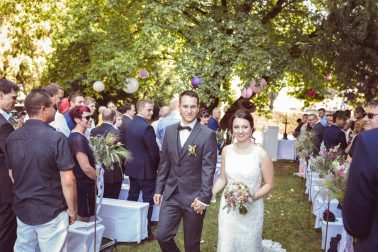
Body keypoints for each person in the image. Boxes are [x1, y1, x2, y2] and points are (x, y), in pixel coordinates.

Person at [6, 90, 77, 251]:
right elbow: (68, 180)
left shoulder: (12, 137)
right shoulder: (56, 138)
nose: (56, 110)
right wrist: (72, 210)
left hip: (24, 206)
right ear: (44, 109)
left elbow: (12, 174)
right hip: (50, 209)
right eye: (54, 107)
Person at [154, 90, 217, 252]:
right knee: (162, 235)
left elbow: (208, 169)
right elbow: (164, 164)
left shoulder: (207, 134)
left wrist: (204, 198)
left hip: (194, 197)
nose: (189, 110)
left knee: (192, 244)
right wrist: (159, 189)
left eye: (193, 107)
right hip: (171, 194)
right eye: (185, 106)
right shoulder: (169, 131)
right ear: (179, 107)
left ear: (198, 109)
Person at [212, 109, 274, 251]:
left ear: (252, 129)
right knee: (227, 243)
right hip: (228, 209)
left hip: (252, 208)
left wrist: (250, 198)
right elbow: (222, 179)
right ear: (232, 129)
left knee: (248, 245)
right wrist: (210, 193)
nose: (240, 131)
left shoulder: (261, 154)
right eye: (236, 127)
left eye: (245, 127)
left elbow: (269, 184)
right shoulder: (226, 151)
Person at [123, 99, 160, 240]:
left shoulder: (129, 124)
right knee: (148, 201)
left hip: (132, 167)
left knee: (132, 197)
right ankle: (146, 231)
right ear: (140, 110)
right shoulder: (146, 127)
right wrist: (156, 166)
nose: (151, 112)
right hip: (146, 170)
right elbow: (154, 151)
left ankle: (130, 227)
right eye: (149, 110)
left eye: (152, 110)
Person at [343, 127, 378, 251]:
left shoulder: (371, 140)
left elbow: (358, 204)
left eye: (370, 115)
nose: (366, 119)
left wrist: (356, 230)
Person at [68, 105, 96, 222]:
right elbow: (86, 167)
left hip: (83, 183)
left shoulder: (79, 136)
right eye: (87, 117)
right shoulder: (77, 138)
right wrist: (99, 179)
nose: (90, 120)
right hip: (83, 184)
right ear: (77, 120)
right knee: (83, 217)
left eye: (91, 117)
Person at [0, 79, 19, 252]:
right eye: (12, 98)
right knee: (6, 230)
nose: (15, 102)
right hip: (4, 185)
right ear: (0, 95)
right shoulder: (4, 124)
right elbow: (11, 157)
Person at [90, 108, 123, 199]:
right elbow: (121, 153)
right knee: (113, 199)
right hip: (113, 172)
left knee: (100, 197)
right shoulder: (116, 132)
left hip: (98, 169)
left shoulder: (93, 131)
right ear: (114, 118)